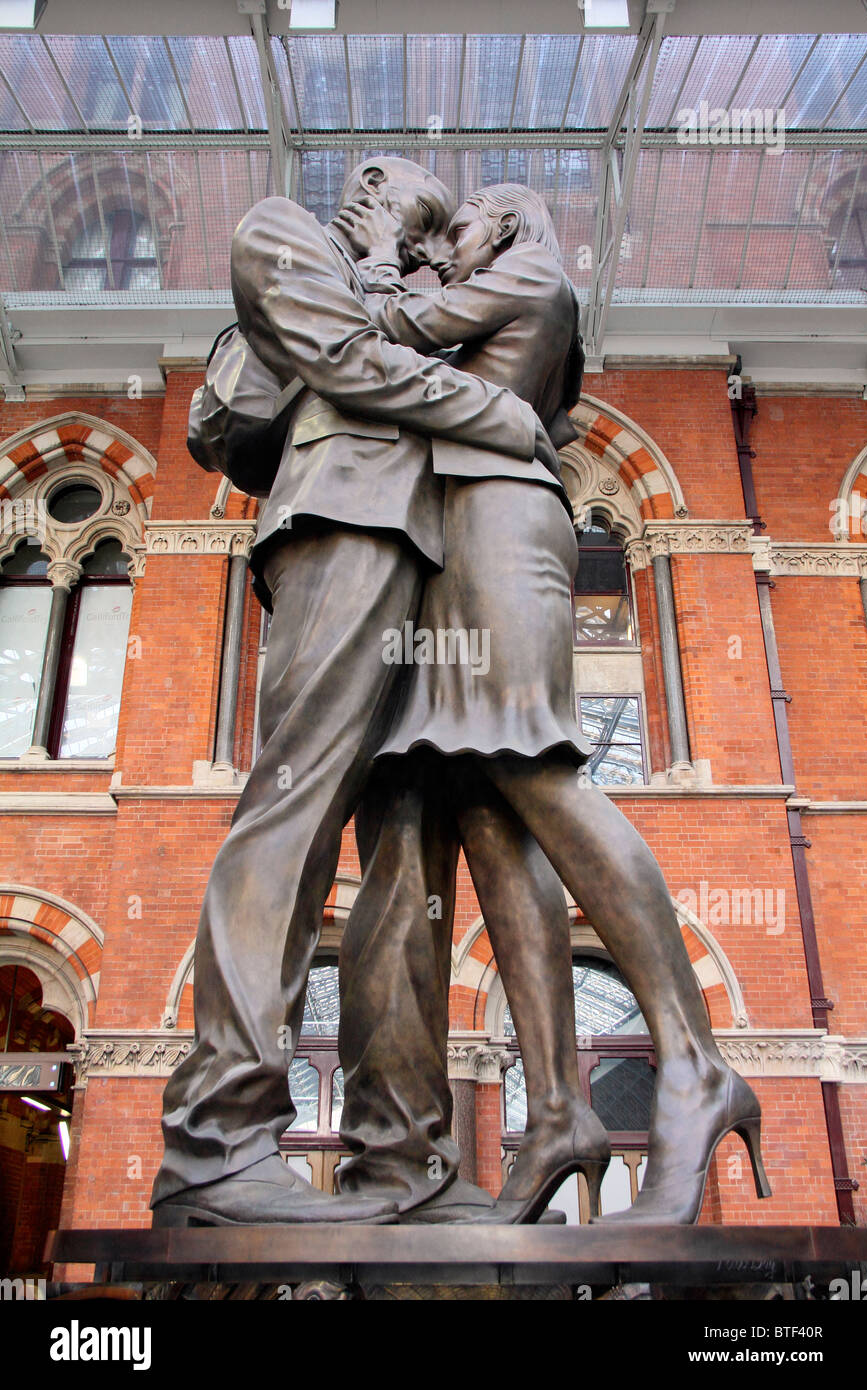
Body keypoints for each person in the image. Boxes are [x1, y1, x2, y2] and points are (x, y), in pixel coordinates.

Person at [334, 184, 772, 1225]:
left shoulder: (533, 273)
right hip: (460, 539)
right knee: (492, 808)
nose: (457, 232)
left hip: (498, 530)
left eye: (471, 216)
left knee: (537, 769)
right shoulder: (503, 292)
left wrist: (382, 254)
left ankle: (693, 1060)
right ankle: (561, 1110)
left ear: (515, 223)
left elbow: (385, 332)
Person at [149, 159, 566, 1228]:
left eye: (430, 233)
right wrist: (488, 410)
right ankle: (219, 1142)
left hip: (436, 560)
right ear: (367, 192)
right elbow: (260, 404)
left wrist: (399, 310)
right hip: (341, 526)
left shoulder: (415, 300)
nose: (413, 242)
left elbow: (431, 349)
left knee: (409, 864)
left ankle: (404, 1160)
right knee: (291, 815)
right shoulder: (284, 231)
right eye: (405, 216)